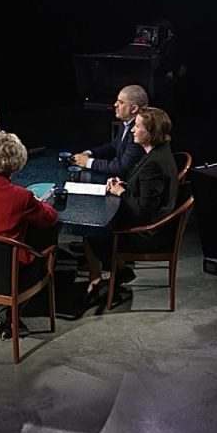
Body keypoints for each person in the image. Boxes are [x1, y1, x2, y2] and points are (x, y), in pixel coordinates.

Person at [0, 132, 58, 339]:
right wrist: (40, 202)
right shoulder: (22, 196)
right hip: (8, 274)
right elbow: (50, 218)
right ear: (18, 162)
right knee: (48, 253)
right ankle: (11, 313)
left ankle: (6, 311)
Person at [83, 107, 178, 303]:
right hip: (150, 222)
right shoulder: (155, 153)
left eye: (137, 126)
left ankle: (105, 277)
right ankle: (117, 272)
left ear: (150, 132)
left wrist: (121, 192)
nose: (133, 130)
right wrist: (124, 185)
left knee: (91, 232)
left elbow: (142, 211)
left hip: (148, 234)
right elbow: (146, 193)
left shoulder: (154, 164)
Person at [71, 84, 148, 178]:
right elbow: (114, 146)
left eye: (121, 102)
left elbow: (123, 167)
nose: (115, 105)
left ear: (134, 108)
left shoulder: (138, 132)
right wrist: (90, 153)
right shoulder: (126, 123)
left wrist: (88, 162)